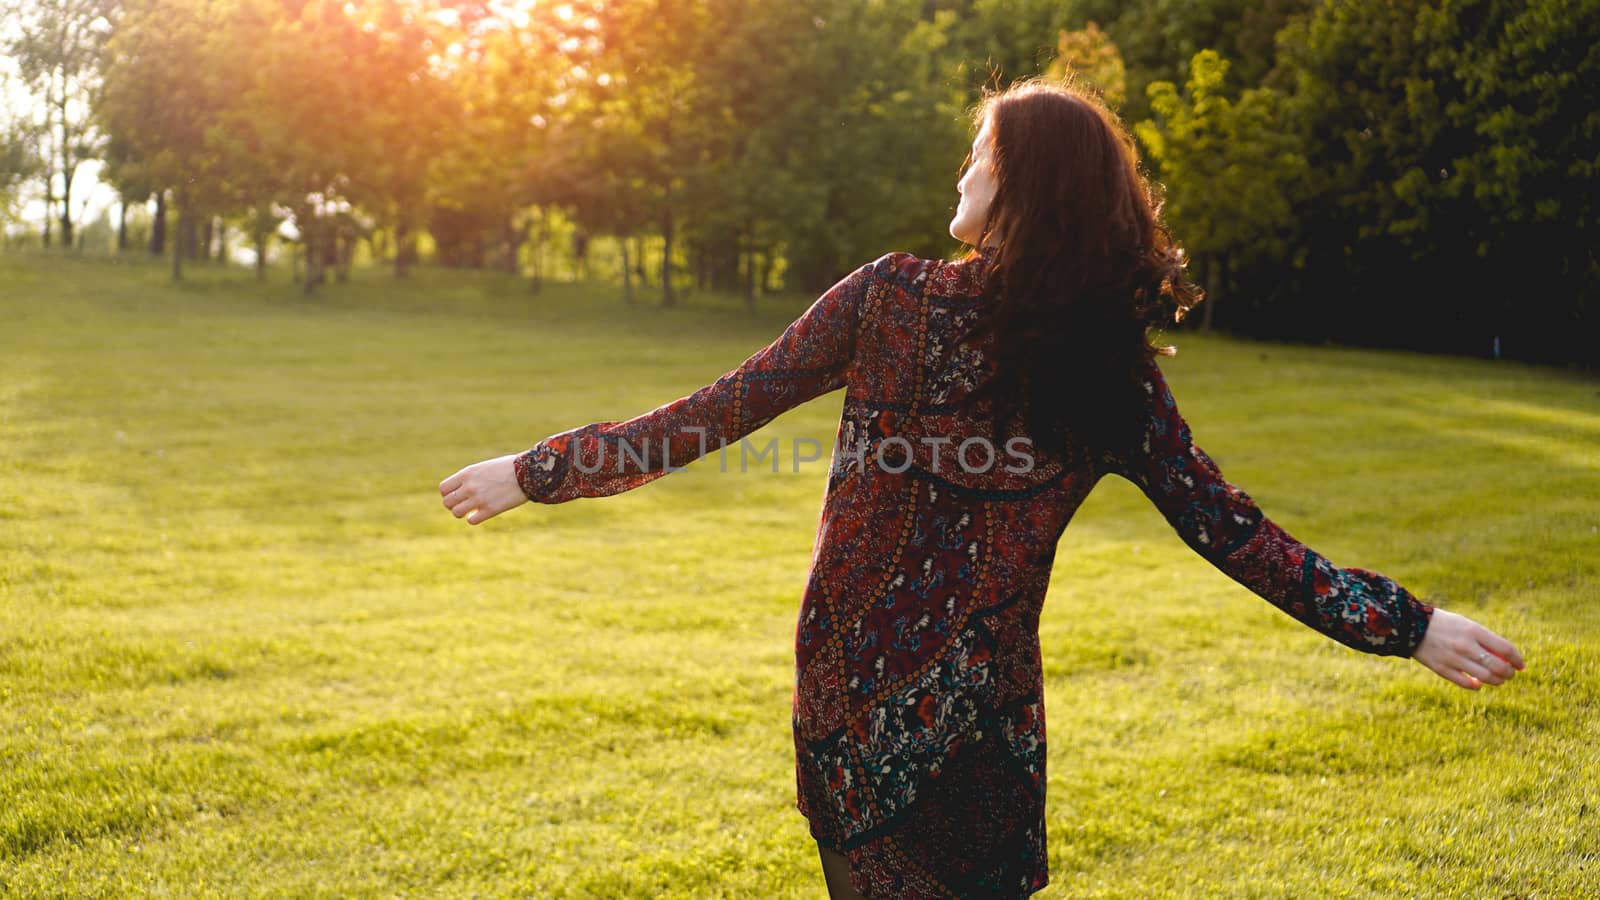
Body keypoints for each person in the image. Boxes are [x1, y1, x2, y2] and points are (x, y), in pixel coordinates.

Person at [438, 78, 1525, 899]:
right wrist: (540, 473)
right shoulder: (926, 313)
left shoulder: (1075, 360)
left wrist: (1408, 627)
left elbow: (712, 413)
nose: (960, 171)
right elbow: (1236, 535)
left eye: (977, 153)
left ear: (1020, 184)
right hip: (880, 698)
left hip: (950, 708)